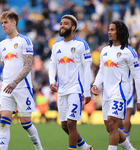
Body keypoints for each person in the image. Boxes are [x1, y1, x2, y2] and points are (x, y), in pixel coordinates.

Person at [91, 20, 140, 150]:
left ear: (120, 31)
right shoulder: (104, 50)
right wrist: (95, 84)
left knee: (112, 123)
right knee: (109, 127)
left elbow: (137, 77)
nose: (109, 32)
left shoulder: (129, 52)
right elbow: (102, 71)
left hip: (121, 92)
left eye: (112, 30)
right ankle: (130, 149)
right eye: (109, 29)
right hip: (106, 93)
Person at [0, 11, 43, 150]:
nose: (3, 25)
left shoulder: (24, 41)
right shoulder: (1, 45)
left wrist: (15, 82)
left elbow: (28, 65)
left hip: (22, 87)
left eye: (6, 22)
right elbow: (4, 65)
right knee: (4, 123)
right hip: (6, 87)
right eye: (2, 23)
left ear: (14, 22)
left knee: (26, 124)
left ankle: (39, 148)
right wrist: (8, 82)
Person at [49, 14, 93, 150]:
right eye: (61, 23)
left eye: (66, 24)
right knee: (64, 125)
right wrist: (52, 81)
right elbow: (52, 65)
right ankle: (85, 147)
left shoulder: (81, 44)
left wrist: (87, 91)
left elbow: (87, 69)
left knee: (71, 124)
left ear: (73, 27)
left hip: (76, 89)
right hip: (61, 90)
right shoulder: (56, 45)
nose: (62, 26)